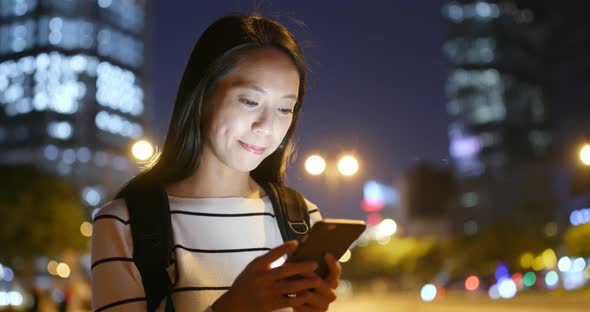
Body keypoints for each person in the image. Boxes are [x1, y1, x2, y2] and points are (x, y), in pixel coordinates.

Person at [91, 14, 340, 312]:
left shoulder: (303, 218)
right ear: (202, 96)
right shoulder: (125, 222)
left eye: (285, 108)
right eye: (249, 101)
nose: (266, 126)